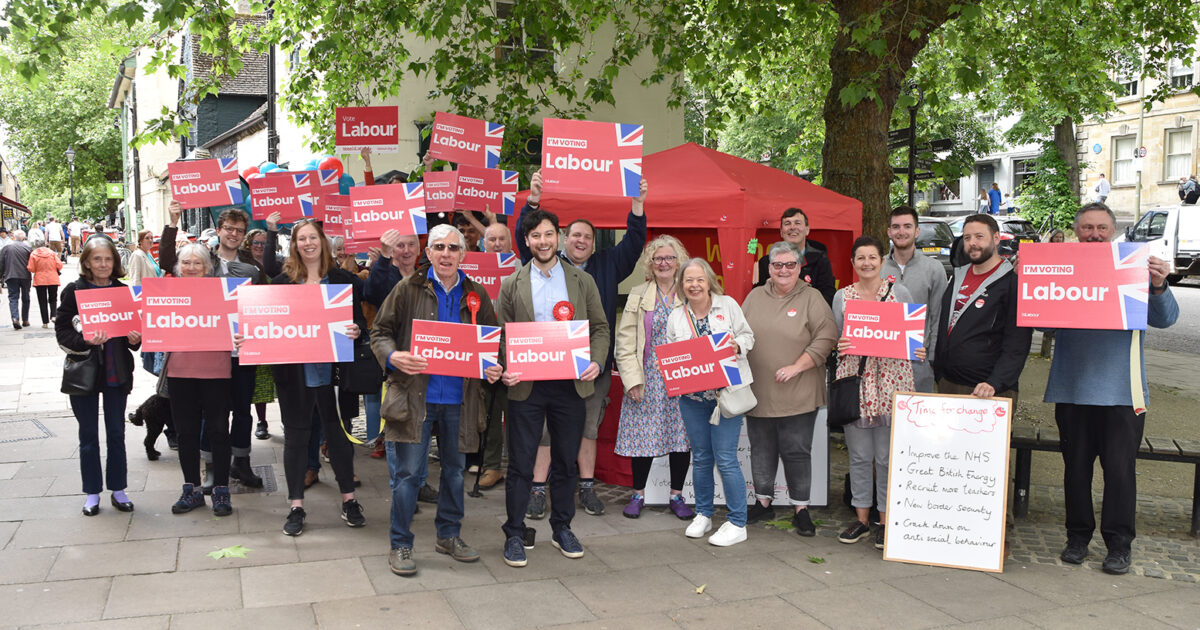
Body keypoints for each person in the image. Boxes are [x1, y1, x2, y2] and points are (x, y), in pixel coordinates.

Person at [1048, 202, 1179, 575]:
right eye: (1087, 228)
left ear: (1113, 231)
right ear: (1077, 232)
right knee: (1075, 471)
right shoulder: (1065, 269)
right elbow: (1040, 322)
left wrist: (1158, 284)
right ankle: (1077, 538)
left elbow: (1167, 320)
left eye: (1101, 228)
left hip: (1123, 392)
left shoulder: (1133, 268)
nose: (1093, 234)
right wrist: (1030, 283)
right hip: (1072, 389)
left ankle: (1119, 546)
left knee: (1120, 473)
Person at [371, 224, 502, 576]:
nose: (446, 254)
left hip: (460, 399)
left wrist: (492, 366)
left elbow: (492, 341)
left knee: (455, 473)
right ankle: (400, 544)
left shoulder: (476, 294)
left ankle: (449, 535)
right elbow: (379, 331)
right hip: (415, 399)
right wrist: (394, 357)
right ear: (428, 254)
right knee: (409, 475)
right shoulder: (407, 287)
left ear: (462, 254)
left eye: (453, 248)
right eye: (439, 247)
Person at [515, 171, 647, 519]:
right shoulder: (544, 265)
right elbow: (521, 236)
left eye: (587, 237)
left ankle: (586, 487)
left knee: (589, 427)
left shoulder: (607, 265)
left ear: (593, 242)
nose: (581, 241)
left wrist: (637, 204)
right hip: (545, 364)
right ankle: (538, 490)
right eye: (575, 235)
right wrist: (534, 198)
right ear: (562, 239)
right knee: (544, 431)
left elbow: (634, 243)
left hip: (591, 366)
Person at [497, 207, 610, 568]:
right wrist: (506, 367)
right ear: (527, 242)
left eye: (548, 234)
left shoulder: (581, 281)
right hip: (527, 386)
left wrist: (595, 359)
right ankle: (514, 533)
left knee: (565, 460)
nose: (543, 242)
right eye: (535, 236)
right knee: (521, 463)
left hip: (569, 385)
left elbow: (600, 328)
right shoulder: (511, 284)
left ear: (558, 237)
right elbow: (502, 334)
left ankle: (562, 527)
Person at [268, 219, 367, 537]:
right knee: (296, 440)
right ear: (294, 244)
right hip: (295, 378)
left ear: (322, 242)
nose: (307, 243)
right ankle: (296, 505)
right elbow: (268, 325)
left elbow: (358, 321)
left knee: (338, 440)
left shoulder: (342, 280)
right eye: (301, 238)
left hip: (333, 377)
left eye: (313, 237)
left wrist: (357, 330)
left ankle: (349, 500)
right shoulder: (283, 283)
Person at [163, 203, 266, 491]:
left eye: (239, 230)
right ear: (218, 230)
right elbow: (168, 262)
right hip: (209, 354)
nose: (233, 234)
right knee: (214, 415)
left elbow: (262, 306)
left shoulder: (252, 267)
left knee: (243, 410)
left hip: (241, 350)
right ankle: (210, 467)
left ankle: (241, 463)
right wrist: (173, 222)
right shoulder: (201, 262)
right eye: (228, 229)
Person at [741, 241, 837, 534]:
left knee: (796, 451)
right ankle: (763, 503)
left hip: (800, 390)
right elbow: (738, 333)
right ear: (769, 268)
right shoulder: (754, 297)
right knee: (761, 449)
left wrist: (798, 366)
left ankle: (801, 509)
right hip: (759, 392)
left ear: (799, 267)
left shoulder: (812, 297)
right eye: (777, 265)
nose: (783, 270)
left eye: (790, 265)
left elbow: (827, 335)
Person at [833, 235, 921, 549]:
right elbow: (838, 336)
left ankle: (886, 521)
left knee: (885, 457)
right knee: (858, 456)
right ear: (853, 263)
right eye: (861, 258)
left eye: (873, 257)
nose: (867, 263)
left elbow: (912, 336)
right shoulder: (842, 297)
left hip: (891, 382)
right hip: (856, 382)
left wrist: (917, 349)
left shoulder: (900, 293)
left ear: (882, 260)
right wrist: (839, 345)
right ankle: (861, 519)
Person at [667, 257, 755, 546]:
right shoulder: (676, 316)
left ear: (709, 281)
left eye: (699, 279)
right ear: (681, 285)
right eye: (688, 280)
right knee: (702, 458)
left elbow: (748, 335)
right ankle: (703, 514)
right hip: (692, 398)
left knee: (727, 458)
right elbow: (670, 354)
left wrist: (737, 345)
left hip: (725, 396)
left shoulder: (727, 305)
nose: (694, 285)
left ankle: (737, 522)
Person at [57, 237, 140, 516]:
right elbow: (63, 333)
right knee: (89, 435)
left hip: (116, 371)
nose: (103, 264)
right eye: (97, 259)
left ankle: (118, 488)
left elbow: (134, 336)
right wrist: (86, 341)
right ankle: (92, 492)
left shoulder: (123, 290)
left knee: (116, 432)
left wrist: (135, 338)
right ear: (87, 263)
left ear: (115, 262)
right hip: (85, 373)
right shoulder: (74, 291)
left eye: (108, 259)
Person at [613, 235, 694, 520]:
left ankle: (677, 496)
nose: (663, 263)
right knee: (642, 440)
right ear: (651, 263)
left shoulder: (690, 292)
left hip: (683, 377)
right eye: (658, 258)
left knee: (680, 439)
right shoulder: (638, 293)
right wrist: (631, 380)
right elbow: (625, 342)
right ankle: (638, 495)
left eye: (669, 258)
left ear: (678, 261)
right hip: (646, 378)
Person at [162, 242, 237, 517]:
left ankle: (221, 490)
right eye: (186, 262)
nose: (192, 267)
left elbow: (240, 324)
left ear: (208, 268)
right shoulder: (166, 293)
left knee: (219, 431)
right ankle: (191, 489)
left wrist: (240, 334)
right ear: (178, 267)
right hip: (180, 371)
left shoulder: (224, 293)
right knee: (186, 433)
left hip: (216, 370)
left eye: (198, 263)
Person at [934, 214, 1032, 402]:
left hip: (988, 390)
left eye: (979, 236)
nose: (972, 243)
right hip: (948, 383)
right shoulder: (957, 277)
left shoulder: (1012, 283)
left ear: (996, 238)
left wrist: (996, 382)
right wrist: (939, 371)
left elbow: (1017, 343)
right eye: (967, 237)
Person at [880, 206, 946, 392]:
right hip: (882, 360)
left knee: (916, 417)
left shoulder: (934, 269)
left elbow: (938, 317)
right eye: (896, 227)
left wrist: (932, 357)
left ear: (917, 231)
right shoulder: (877, 267)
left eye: (907, 226)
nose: (901, 232)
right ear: (889, 232)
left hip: (919, 361)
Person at [477, 222, 514, 489]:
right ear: (483, 243)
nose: (497, 244)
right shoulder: (471, 271)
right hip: (485, 350)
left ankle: (516, 465)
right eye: (492, 240)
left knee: (516, 412)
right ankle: (491, 466)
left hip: (515, 351)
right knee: (489, 413)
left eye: (502, 239)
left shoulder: (521, 269)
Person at [752, 207, 836, 304]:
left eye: (797, 223)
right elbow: (758, 298)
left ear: (807, 230)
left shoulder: (820, 261)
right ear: (781, 232)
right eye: (787, 223)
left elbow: (828, 297)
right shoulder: (766, 262)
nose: (792, 227)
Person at [241, 228, 276, 440]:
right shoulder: (243, 265)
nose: (260, 247)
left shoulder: (274, 264)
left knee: (267, 378)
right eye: (256, 243)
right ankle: (256, 421)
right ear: (248, 243)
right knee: (250, 380)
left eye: (264, 243)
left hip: (271, 327)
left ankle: (267, 420)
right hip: (248, 327)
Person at [26, 238, 62, 328]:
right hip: (52, 278)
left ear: (36, 245)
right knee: (53, 298)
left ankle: (45, 322)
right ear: (45, 244)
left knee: (42, 301)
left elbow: (31, 268)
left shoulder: (33, 254)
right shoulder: (52, 253)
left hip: (40, 279)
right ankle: (53, 315)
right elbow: (59, 265)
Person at [1, 229, 32, 329]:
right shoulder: (28, 248)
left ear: (14, 237)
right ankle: (25, 320)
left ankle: (15, 318)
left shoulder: (6, 248)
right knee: (26, 298)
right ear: (23, 238)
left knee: (13, 297)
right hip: (25, 276)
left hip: (11, 276)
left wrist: (0, 277)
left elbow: (1, 264)